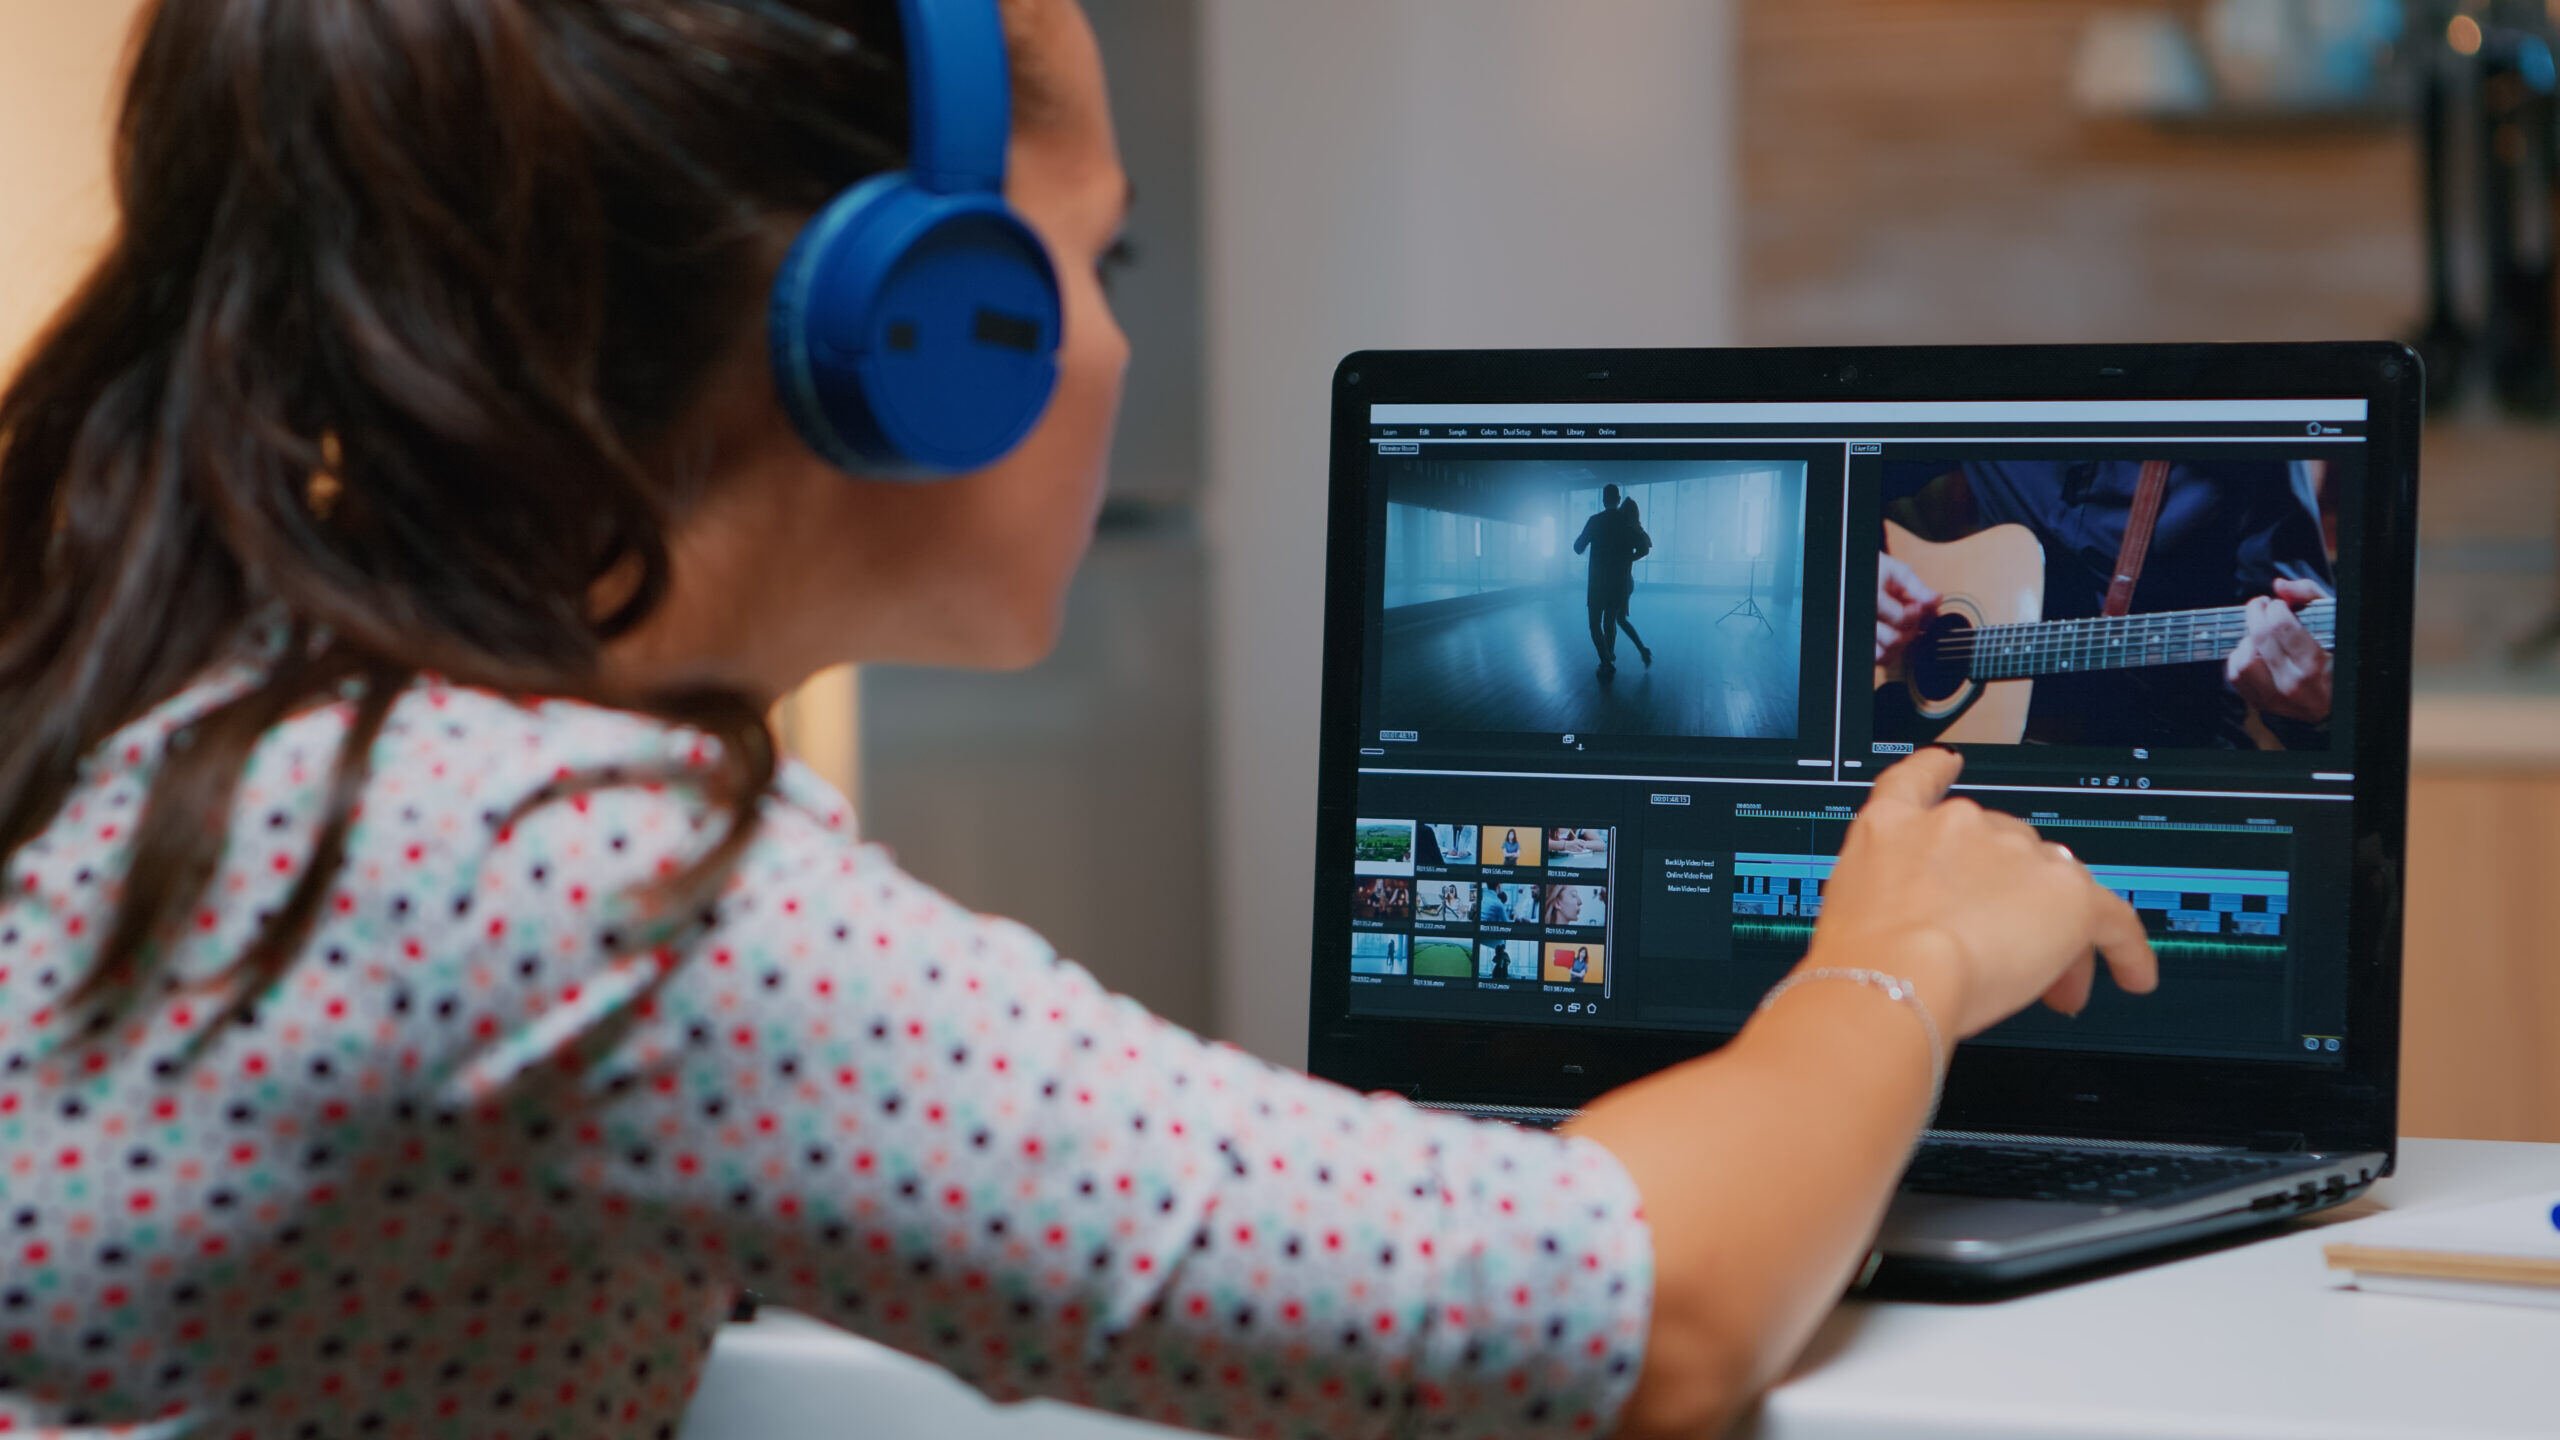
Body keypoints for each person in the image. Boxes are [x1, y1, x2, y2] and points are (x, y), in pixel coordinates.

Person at [0, 3, 2159, 1437]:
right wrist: (1899, 952)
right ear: (919, 333)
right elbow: (1643, 1318)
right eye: (1096, 270)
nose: (1113, 343)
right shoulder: (565, 864)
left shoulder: (243, 707)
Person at [1874, 460, 2336, 749]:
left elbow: (2310, 676)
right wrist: (1854, 573)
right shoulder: (1989, 391)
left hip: (2160, 775)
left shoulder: (2250, 443)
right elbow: (1825, 479)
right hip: (1970, 771)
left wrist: (2315, 710)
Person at [1573, 485, 1655, 673]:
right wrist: (1627, 559)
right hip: (1619, 583)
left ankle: (1606, 660)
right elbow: (1644, 549)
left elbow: (1578, 547)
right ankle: (1609, 655)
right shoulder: (1626, 523)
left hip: (1596, 583)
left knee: (1595, 624)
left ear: (1603, 500)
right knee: (1611, 622)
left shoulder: (1594, 521)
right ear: (1618, 499)